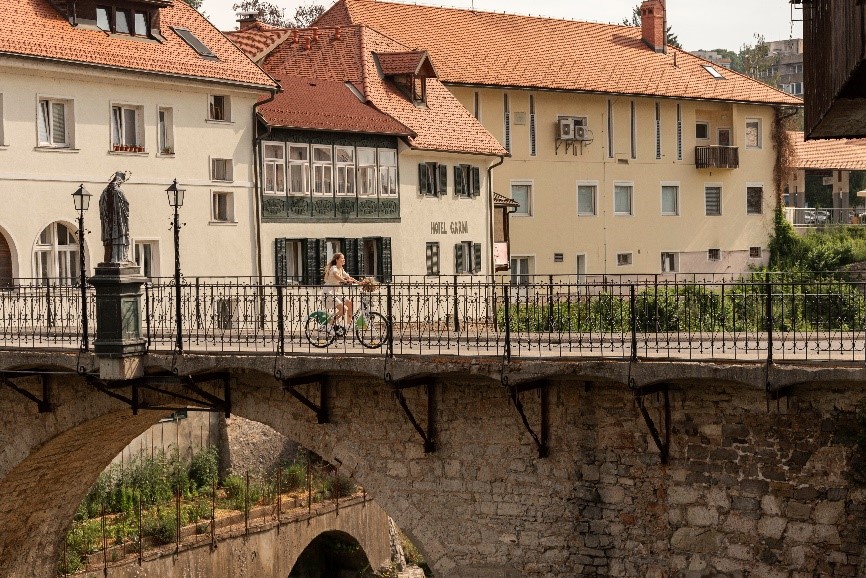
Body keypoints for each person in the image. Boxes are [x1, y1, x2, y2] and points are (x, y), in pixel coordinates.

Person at [322, 253, 358, 327]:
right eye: (342, 258)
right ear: (337, 260)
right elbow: (336, 275)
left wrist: (360, 282)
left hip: (334, 292)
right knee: (344, 309)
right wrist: (345, 281)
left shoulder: (341, 268)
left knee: (349, 303)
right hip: (328, 293)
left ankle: (349, 325)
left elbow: (348, 277)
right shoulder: (333, 268)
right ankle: (329, 324)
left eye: (344, 258)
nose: (344, 260)